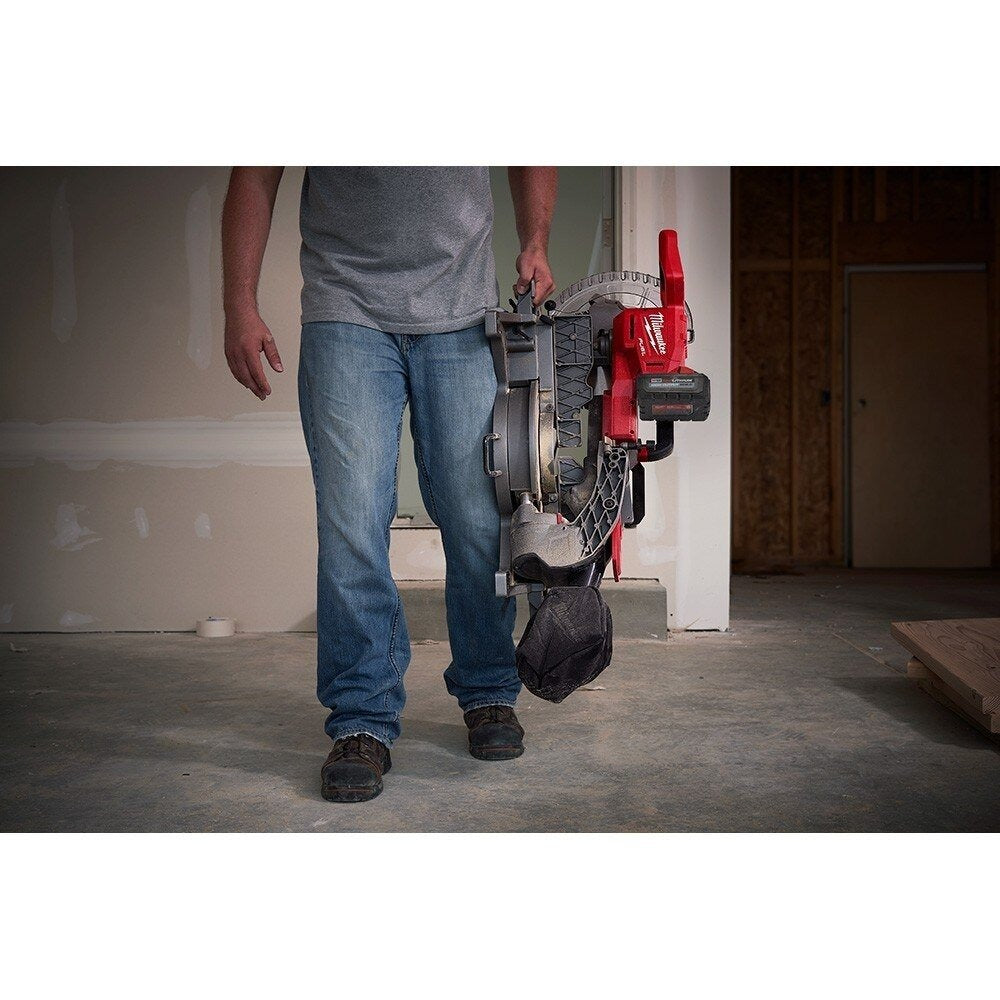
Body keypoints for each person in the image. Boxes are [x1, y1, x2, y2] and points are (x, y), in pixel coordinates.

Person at [221, 167, 557, 802]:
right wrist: (240, 302)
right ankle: (361, 717)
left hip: (462, 313)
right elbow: (255, 175)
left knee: (478, 517)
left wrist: (535, 240)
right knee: (351, 523)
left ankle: (488, 689)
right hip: (345, 308)